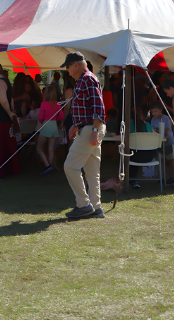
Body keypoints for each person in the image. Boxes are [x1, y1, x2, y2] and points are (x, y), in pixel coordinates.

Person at [61, 52, 106, 220]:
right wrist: (75, 124)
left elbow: (98, 108)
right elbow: (88, 108)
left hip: (90, 129)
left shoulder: (87, 79)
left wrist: (94, 131)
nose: (67, 70)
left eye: (67, 66)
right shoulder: (84, 79)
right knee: (92, 172)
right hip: (88, 128)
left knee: (70, 166)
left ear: (76, 65)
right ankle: (96, 208)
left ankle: (83, 205)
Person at [36, 85, 64, 175]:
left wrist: (43, 121)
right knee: (50, 149)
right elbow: (61, 117)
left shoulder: (43, 104)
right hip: (54, 126)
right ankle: (49, 167)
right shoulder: (58, 104)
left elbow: (40, 118)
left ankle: (47, 166)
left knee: (39, 148)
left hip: (46, 125)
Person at [149, 103, 174, 185]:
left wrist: (156, 131)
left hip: (169, 143)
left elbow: (165, 131)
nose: (154, 114)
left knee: (170, 160)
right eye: (152, 112)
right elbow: (151, 130)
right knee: (161, 160)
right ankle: (162, 178)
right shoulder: (153, 119)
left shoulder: (166, 118)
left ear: (161, 110)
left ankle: (172, 178)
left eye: (155, 111)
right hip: (159, 143)